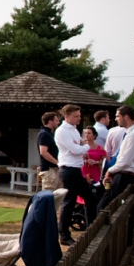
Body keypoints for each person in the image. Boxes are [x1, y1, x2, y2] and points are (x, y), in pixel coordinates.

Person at [55, 104, 98, 246]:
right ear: (67, 117)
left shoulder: (73, 129)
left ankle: (91, 228)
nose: (79, 118)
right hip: (68, 170)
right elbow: (75, 149)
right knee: (69, 202)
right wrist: (86, 146)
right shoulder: (62, 131)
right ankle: (64, 235)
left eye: (79, 116)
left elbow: (80, 147)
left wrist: (82, 147)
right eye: (76, 116)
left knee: (90, 198)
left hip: (75, 170)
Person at [97, 106, 134, 213]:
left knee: (114, 209)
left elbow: (124, 161)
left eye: (117, 116)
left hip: (126, 176)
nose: (115, 119)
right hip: (123, 174)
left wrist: (110, 171)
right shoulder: (129, 133)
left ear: (126, 117)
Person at [37, 112, 62, 191]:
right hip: (49, 170)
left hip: (54, 169)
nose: (58, 122)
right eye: (56, 120)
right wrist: (57, 163)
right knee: (49, 196)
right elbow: (43, 152)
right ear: (50, 121)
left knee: (57, 197)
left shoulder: (51, 134)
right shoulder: (44, 134)